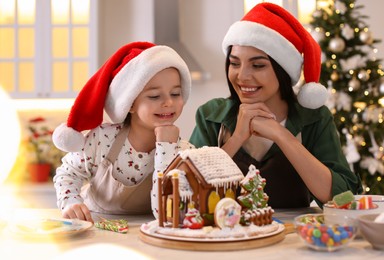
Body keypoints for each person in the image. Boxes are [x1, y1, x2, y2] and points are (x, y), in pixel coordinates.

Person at [189, 3, 362, 209]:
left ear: (283, 70)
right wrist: (236, 139)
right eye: (235, 63)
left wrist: (282, 136)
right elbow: (186, 191)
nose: (242, 76)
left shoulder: (314, 118)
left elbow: (344, 198)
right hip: (225, 238)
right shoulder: (211, 116)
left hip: (294, 239)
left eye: (258, 65)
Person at [52, 41, 194, 223]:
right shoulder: (102, 139)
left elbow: (169, 214)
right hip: (96, 229)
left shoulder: (182, 151)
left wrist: (166, 148)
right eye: (154, 96)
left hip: (148, 235)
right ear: (130, 103)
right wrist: (71, 203)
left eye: (175, 94)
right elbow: (68, 174)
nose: (169, 102)